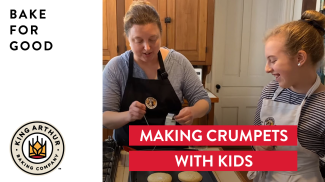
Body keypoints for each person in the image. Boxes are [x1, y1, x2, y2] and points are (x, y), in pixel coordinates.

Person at [102, 1, 211, 150]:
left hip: (173, 153)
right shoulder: (116, 68)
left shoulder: (177, 63)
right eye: (138, 41)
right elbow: (105, 118)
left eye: (153, 39)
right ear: (128, 39)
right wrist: (129, 115)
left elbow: (203, 100)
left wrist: (192, 112)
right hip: (129, 155)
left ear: (161, 34)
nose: (147, 47)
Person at [248, 10, 325, 182]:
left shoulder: (322, 105)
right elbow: (255, 139)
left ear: (299, 58)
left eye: (273, 60)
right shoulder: (269, 92)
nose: (267, 68)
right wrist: (259, 145)